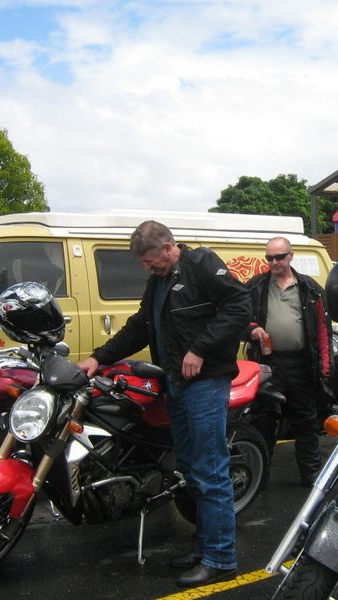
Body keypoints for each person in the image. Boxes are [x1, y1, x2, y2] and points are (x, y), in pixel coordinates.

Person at [77, 221, 250, 587]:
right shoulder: (158, 281)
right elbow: (140, 326)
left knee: (210, 470)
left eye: (149, 261)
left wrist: (200, 349)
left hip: (206, 383)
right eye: (142, 263)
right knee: (189, 469)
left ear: (169, 248)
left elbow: (239, 306)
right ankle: (205, 546)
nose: (146, 268)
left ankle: (221, 558)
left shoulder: (202, 263)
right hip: (176, 384)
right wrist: (99, 357)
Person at [243, 236, 333, 487]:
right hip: (267, 364)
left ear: (291, 256)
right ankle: (257, 478)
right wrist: (251, 329)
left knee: (306, 421)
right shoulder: (255, 286)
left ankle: (311, 475)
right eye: (269, 258)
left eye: (279, 257)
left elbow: (323, 330)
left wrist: (326, 368)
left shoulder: (310, 288)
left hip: (300, 365)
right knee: (262, 421)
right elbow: (236, 317)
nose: (274, 262)